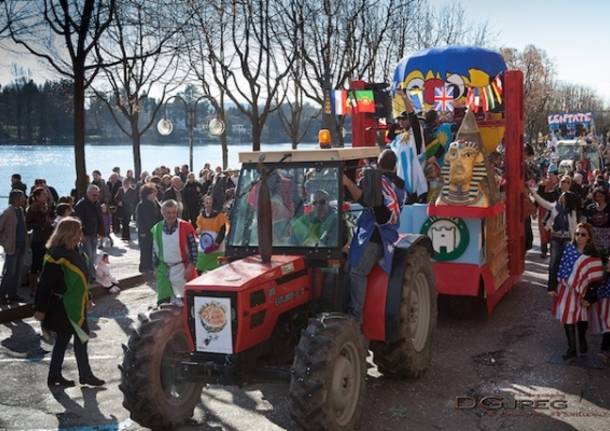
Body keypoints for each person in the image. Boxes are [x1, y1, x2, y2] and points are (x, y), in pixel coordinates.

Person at [33, 217, 105, 387]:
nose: (81, 234)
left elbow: (83, 281)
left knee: (77, 338)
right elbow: (45, 284)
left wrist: (88, 298)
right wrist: (40, 309)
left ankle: (67, 375)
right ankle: (65, 375)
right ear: (70, 233)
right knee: (70, 339)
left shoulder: (78, 252)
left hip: (77, 304)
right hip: (62, 305)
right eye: (79, 231)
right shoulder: (55, 255)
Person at [343, 149, 405, 321]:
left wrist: (347, 182)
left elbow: (365, 200)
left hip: (375, 236)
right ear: (395, 167)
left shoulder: (378, 182)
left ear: (379, 164)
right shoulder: (400, 185)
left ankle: (355, 316)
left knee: (357, 272)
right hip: (389, 234)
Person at [552, 223, 602, 360]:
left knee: (581, 318)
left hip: (583, 292)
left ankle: (582, 340)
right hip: (565, 289)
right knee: (567, 318)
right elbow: (557, 266)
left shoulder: (593, 255)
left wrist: (590, 297)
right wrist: (552, 286)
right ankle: (572, 348)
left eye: (583, 234)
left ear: (589, 238)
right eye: (577, 234)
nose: (579, 237)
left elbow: (597, 279)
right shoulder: (568, 249)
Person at [530, 176, 579, 293]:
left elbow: (574, 226)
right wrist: (533, 191)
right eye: (563, 182)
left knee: (567, 262)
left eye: (567, 182)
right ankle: (552, 287)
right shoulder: (554, 206)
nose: (562, 196)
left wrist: (575, 240)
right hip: (556, 238)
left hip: (568, 239)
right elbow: (543, 201)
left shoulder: (572, 211)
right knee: (554, 262)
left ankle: (565, 286)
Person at [152, 200, 198, 305]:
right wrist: (155, 267)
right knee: (163, 301)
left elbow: (193, 248)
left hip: (182, 268)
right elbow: (155, 249)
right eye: (168, 212)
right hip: (164, 269)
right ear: (162, 213)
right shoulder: (157, 228)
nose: (171, 215)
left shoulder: (186, 227)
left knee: (187, 301)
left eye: (174, 212)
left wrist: (191, 267)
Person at [0, 190, 27, 304]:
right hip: (12, 246)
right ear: (16, 198)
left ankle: (13, 294)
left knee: (17, 272)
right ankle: (2, 295)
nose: (24, 199)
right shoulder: (8, 212)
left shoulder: (20, 211)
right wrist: (4, 242)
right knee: (9, 272)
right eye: (22, 197)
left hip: (21, 245)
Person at [26, 187, 54, 296]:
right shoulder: (32, 209)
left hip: (47, 239)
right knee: (35, 265)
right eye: (43, 195)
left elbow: (48, 221)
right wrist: (40, 226)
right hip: (37, 240)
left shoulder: (46, 207)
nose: (46, 196)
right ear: (37, 197)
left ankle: (43, 287)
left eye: (46, 194)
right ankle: (33, 289)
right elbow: (27, 225)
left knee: (45, 264)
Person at [74, 185, 104, 276]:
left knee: (93, 254)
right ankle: (90, 275)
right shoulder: (81, 205)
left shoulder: (96, 203)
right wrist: (80, 234)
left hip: (94, 233)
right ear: (88, 194)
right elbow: (78, 221)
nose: (96, 197)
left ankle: (92, 272)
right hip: (85, 234)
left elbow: (99, 218)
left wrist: (101, 231)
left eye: (97, 195)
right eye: (94, 195)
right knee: (88, 255)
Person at [196, 195, 228, 272]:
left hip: (217, 248)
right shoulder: (201, 216)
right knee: (200, 267)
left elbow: (222, 231)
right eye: (207, 202)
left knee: (217, 270)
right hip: (204, 246)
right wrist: (198, 230)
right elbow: (198, 228)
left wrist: (216, 244)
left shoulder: (220, 216)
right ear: (204, 203)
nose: (208, 204)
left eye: (210, 203)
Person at [135, 184, 162, 273]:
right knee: (145, 249)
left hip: (154, 229)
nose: (154, 195)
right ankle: (144, 267)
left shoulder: (155, 203)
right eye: (152, 193)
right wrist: (142, 231)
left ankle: (150, 266)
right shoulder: (142, 204)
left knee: (151, 248)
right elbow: (140, 219)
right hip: (145, 231)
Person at [584, 188, 610, 257]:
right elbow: (587, 223)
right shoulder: (590, 208)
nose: (598, 198)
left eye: (601, 196)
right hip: (594, 237)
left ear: (605, 196)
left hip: (607, 238)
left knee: (605, 258)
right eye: (596, 196)